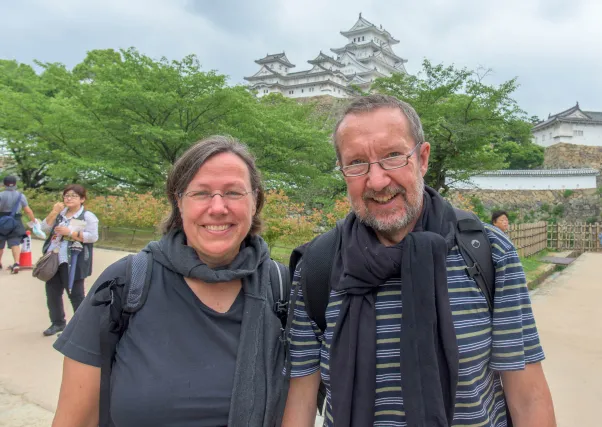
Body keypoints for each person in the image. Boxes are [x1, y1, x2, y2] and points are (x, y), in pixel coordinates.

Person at [283, 95, 556, 427]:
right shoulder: (318, 267)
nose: (378, 180)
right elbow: (300, 400)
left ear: (422, 159)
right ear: (342, 171)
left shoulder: (488, 252)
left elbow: (527, 396)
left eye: (393, 156)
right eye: (356, 163)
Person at [51, 136, 289, 427]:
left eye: (233, 193)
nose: (217, 207)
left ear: (255, 202)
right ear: (179, 202)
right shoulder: (125, 284)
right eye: (200, 193)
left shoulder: (283, 288)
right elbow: (76, 419)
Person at [40, 185, 99, 337]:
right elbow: (43, 229)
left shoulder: (87, 216)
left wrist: (71, 233)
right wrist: (54, 212)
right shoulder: (60, 214)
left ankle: (80, 327)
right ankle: (58, 322)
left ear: (82, 199)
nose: (69, 198)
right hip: (54, 259)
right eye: (66, 195)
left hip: (74, 260)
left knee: (76, 295)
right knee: (52, 293)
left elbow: (93, 236)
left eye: (73, 196)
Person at [0, 175, 36, 273]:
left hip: (1, 219)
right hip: (15, 220)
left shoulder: (1, 195)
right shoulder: (21, 196)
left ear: (4, 184)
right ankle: (16, 263)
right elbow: (28, 210)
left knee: (0, 242)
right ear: (15, 184)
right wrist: (33, 221)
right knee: (15, 242)